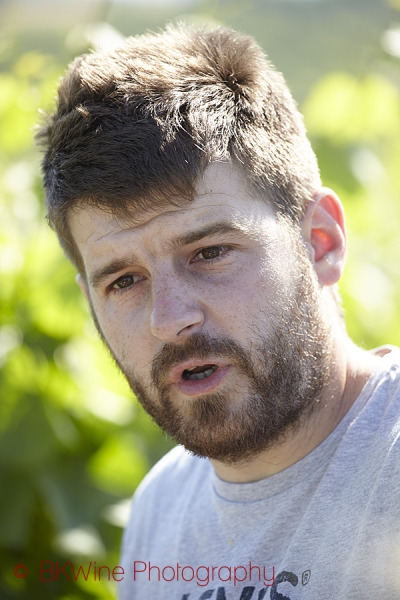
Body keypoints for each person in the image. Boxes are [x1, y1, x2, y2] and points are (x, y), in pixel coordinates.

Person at [37, 23, 400, 599]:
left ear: (321, 242)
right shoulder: (159, 511)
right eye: (124, 281)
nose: (169, 318)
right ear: (90, 301)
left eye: (209, 252)